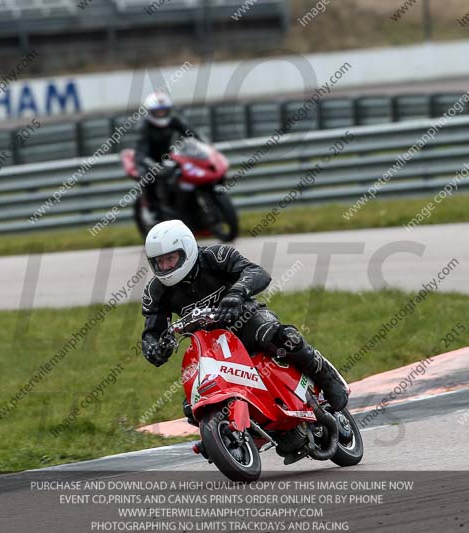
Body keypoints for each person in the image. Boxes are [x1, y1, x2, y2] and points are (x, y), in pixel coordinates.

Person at [140, 220, 350, 423]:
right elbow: (152, 331)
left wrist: (237, 293)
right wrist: (154, 348)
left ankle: (326, 377)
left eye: (170, 258)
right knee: (190, 402)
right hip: (209, 344)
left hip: (246, 319)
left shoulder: (216, 256)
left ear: (187, 249)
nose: (165, 266)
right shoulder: (155, 291)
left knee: (284, 338)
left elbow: (257, 272)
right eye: (160, 262)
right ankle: (224, 429)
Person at [134, 91, 205, 218]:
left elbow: (191, 134)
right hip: (149, 160)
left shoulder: (173, 121)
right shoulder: (144, 127)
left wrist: (204, 146)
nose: (161, 113)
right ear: (150, 111)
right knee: (149, 180)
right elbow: (141, 152)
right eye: (157, 111)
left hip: (170, 157)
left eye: (163, 110)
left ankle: (193, 206)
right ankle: (153, 210)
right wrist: (153, 165)